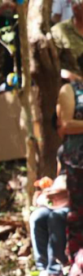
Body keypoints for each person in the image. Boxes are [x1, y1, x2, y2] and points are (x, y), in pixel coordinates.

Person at [57, 63, 83, 263]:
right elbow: (65, 125)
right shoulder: (70, 90)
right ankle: (76, 263)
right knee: (78, 215)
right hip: (78, 161)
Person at [30, 151, 69, 276]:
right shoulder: (63, 150)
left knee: (56, 218)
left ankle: (55, 269)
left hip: (76, 200)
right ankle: (44, 268)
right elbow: (61, 177)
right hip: (61, 200)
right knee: (37, 217)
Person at [52, 0, 83, 82]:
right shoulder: (59, 32)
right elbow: (51, 66)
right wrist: (63, 73)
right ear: (75, 8)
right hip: (73, 87)